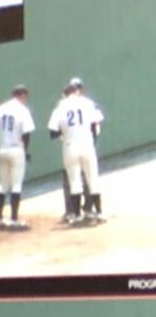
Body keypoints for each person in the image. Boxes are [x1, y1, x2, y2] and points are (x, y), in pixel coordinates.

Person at [47, 76, 105, 225]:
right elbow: (96, 122)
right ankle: (98, 213)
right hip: (87, 145)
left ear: (65, 94)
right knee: (93, 180)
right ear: (77, 91)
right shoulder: (87, 103)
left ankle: (77, 216)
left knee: (74, 182)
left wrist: (66, 133)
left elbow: (52, 132)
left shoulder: (61, 107)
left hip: (70, 147)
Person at [0, 84, 34, 230]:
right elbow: (26, 134)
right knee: (16, 185)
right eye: (25, 96)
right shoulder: (22, 110)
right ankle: (14, 219)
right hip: (16, 149)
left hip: (2, 149)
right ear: (22, 95)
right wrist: (25, 151)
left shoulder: (1, 108)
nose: (25, 99)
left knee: (2, 184)